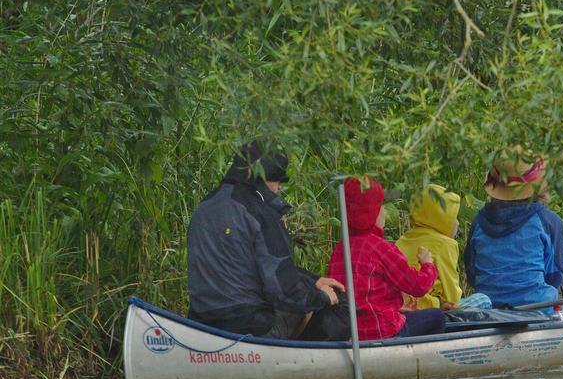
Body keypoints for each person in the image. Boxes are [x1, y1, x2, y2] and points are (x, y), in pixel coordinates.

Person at [187, 140, 348, 340]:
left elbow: (248, 267)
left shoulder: (204, 206)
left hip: (201, 322)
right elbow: (283, 291)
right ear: (263, 178)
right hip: (248, 324)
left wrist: (313, 281)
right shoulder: (259, 212)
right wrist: (322, 297)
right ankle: (296, 366)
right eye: (279, 180)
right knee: (340, 306)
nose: (279, 187)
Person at [327, 177, 447, 340]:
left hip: (350, 333)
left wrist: (397, 308)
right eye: (382, 207)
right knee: (437, 316)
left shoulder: (340, 248)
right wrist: (428, 265)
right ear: (371, 212)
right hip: (382, 331)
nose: (385, 211)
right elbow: (418, 285)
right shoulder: (380, 248)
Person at [463, 146, 563, 311]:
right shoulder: (549, 221)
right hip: (537, 309)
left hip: (488, 311)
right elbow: (555, 274)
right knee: (562, 287)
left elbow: (472, 274)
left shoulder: (479, 221)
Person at [395, 184, 463, 311]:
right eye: (454, 217)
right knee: (482, 299)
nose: (457, 223)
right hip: (427, 307)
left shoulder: (402, 240)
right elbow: (452, 295)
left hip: (400, 306)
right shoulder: (445, 244)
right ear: (441, 218)